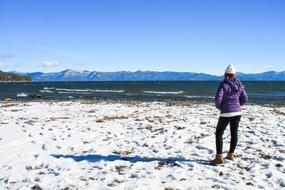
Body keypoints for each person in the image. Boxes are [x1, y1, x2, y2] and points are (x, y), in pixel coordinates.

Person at [211, 64, 248, 165]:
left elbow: (218, 99)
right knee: (234, 133)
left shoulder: (224, 85)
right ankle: (231, 155)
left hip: (226, 112)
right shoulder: (240, 85)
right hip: (237, 112)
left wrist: (221, 107)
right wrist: (237, 105)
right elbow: (245, 99)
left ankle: (219, 158)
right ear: (234, 75)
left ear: (225, 74)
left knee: (219, 133)